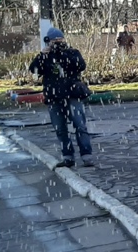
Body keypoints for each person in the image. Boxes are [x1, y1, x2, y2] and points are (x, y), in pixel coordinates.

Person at [28, 28, 94, 168]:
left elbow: (80, 66)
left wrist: (63, 53)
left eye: (60, 41)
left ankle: (87, 155)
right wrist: (42, 55)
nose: (58, 44)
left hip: (72, 94)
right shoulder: (45, 56)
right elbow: (34, 70)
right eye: (55, 41)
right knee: (60, 128)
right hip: (54, 97)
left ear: (64, 40)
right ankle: (68, 156)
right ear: (49, 41)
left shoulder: (72, 52)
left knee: (80, 125)